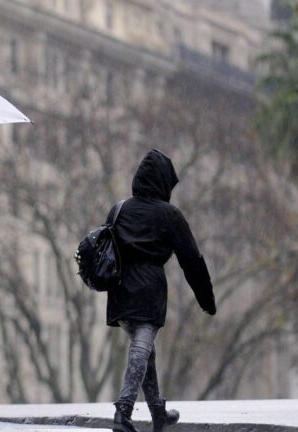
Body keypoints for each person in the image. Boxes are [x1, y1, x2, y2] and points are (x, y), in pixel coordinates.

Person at [107, 149, 216, 432]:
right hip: (148, 291)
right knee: (141, 346)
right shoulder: (169, 215)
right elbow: (192, 261)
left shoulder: (119, 209)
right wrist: (206, 300)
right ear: (163, 182)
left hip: (120, 291)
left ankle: (157, 411)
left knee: (145, 350)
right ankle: (123, 411)